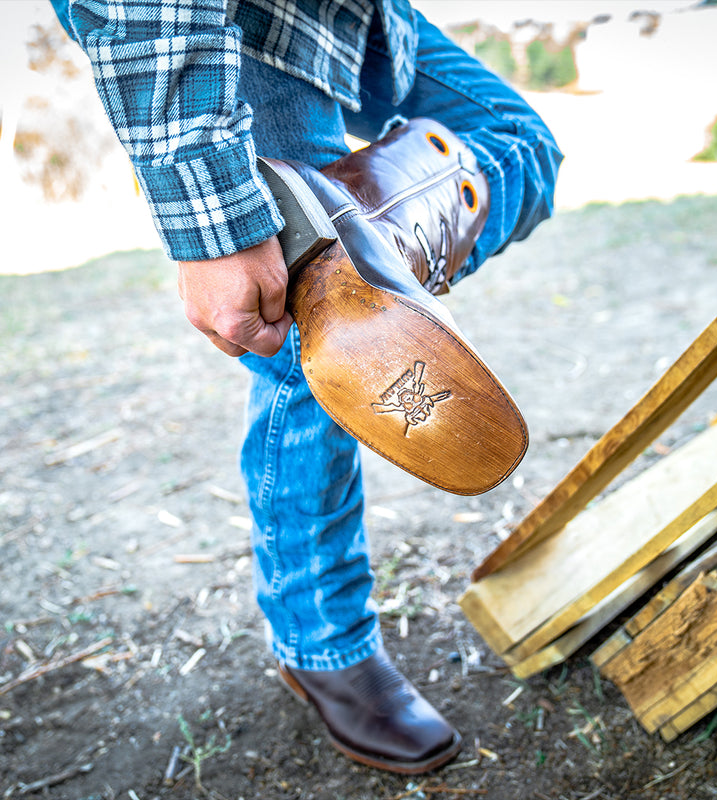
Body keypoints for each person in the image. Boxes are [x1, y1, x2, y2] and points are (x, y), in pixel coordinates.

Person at [49, 0, 562, 775]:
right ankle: (323, 645)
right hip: (229, 19)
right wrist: (213, 223)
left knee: (524, 143)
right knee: (303, 344)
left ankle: (364, 240)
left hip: (354, 15)